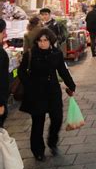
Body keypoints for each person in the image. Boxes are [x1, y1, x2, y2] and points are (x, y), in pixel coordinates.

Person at [18, 28, 76, 161]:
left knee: (57, 118)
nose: (42, 43)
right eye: (40, 41)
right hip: (36, 92)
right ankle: (38, 151)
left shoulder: (56, 53)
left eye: (45, 40)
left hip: (52, 91)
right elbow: (21, 72)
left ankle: (52, 142)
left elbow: (62, 70)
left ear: (50, 41)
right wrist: (29, 85)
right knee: (38, 122)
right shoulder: (30, 54)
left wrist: (71, 85)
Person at [0, 19, 9, 128]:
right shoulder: (1, 54)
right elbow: (2, 79)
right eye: (3, 32)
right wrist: (1, 103)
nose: (5, 34)